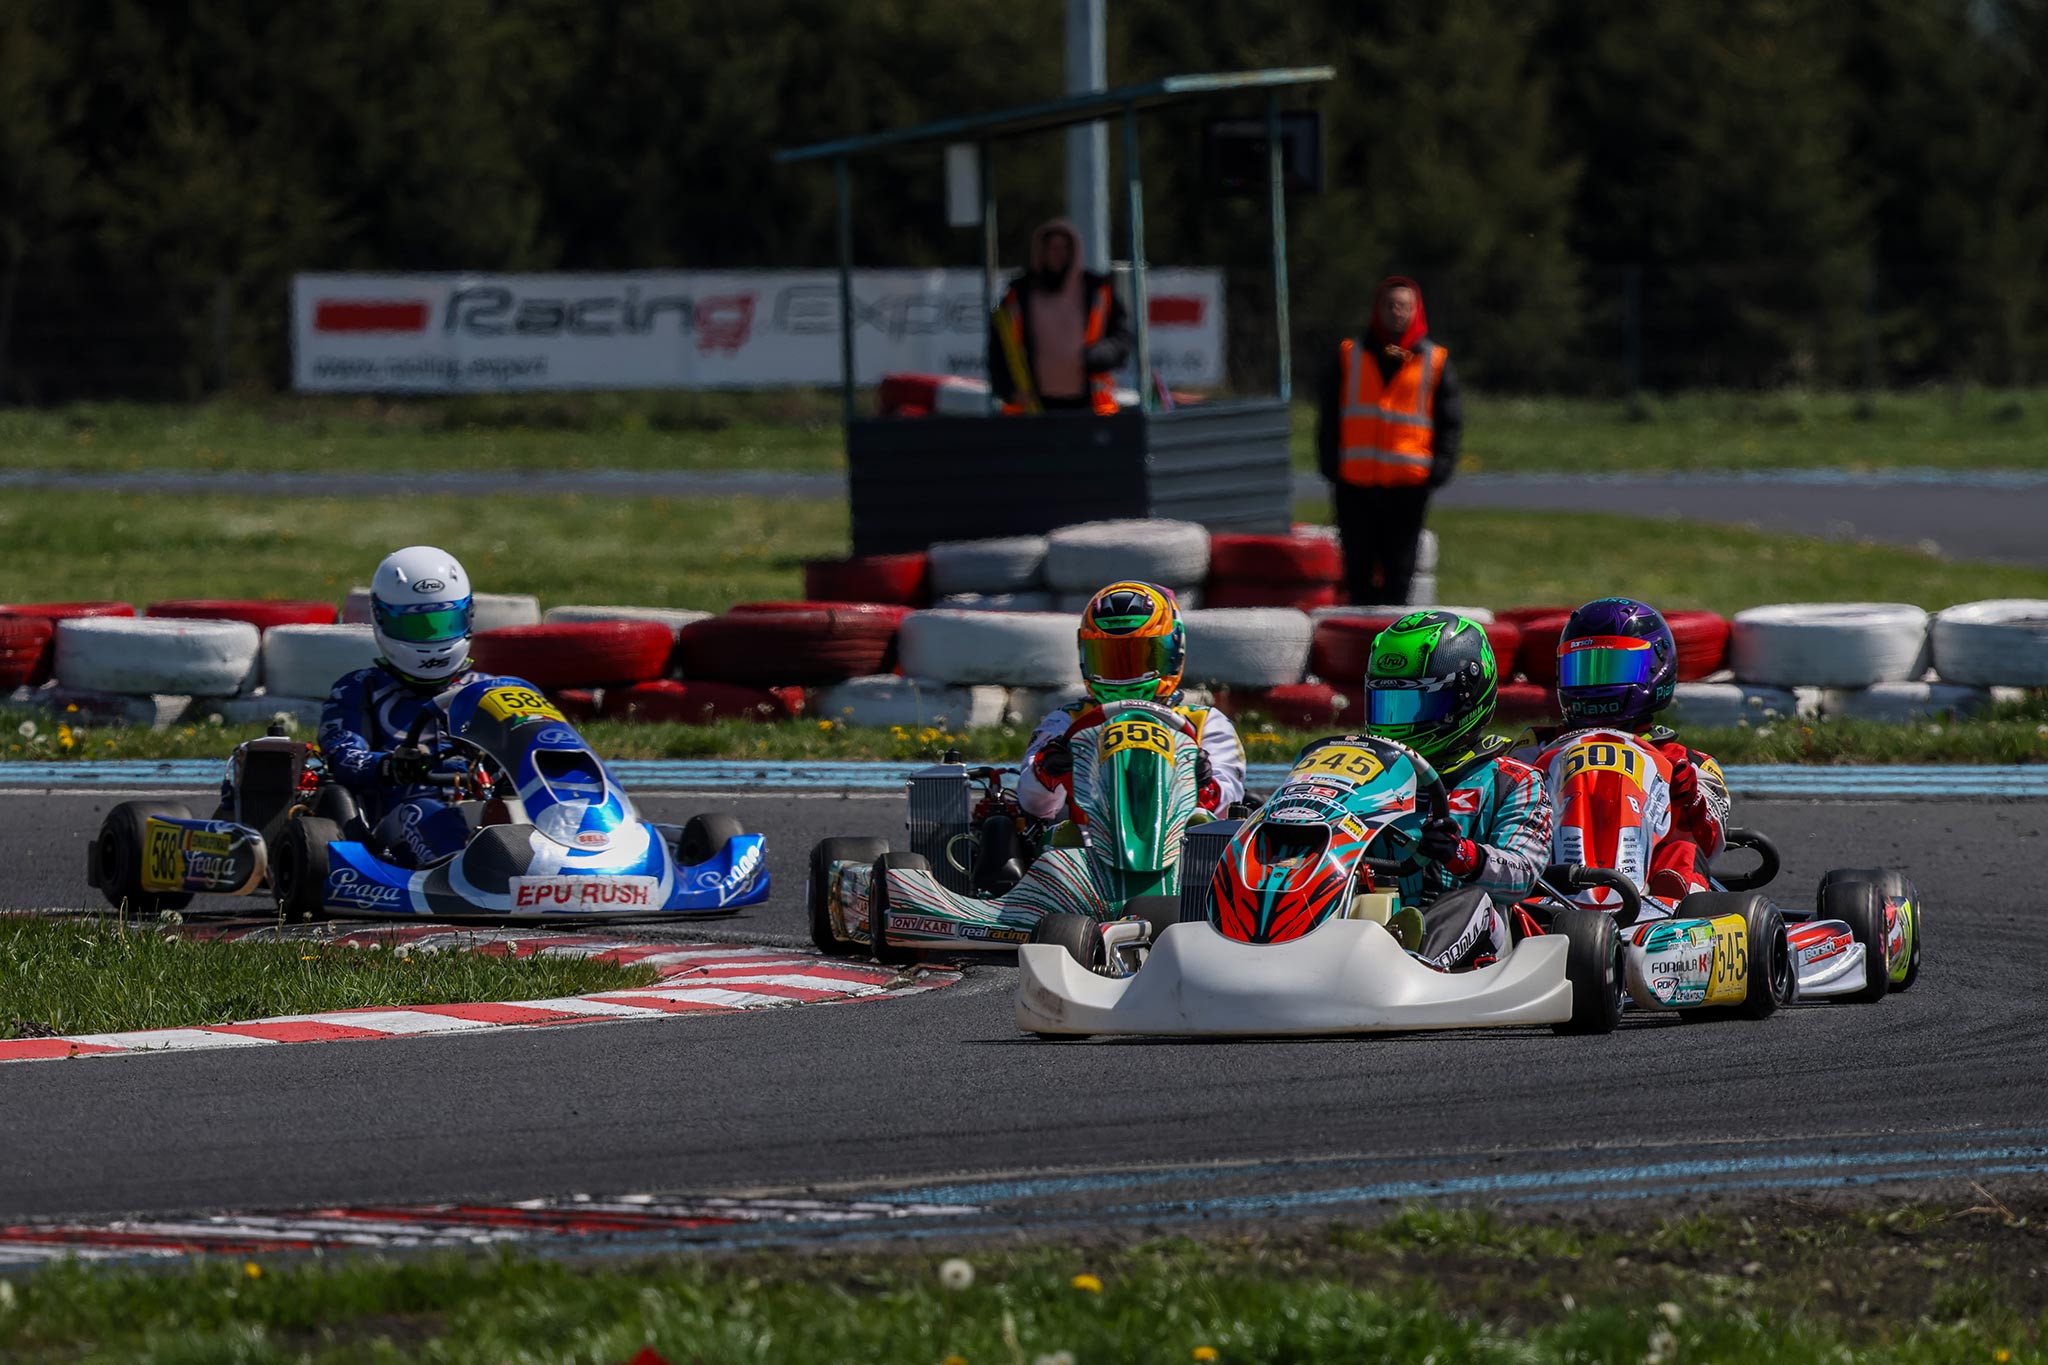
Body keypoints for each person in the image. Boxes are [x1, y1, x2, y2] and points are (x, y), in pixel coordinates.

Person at [1344, 609, 1551, 971]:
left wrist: (1462, 854)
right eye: (1387, 705)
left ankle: (1416, 971)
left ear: (1463, 702)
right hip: (1368, 923)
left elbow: (1521, 874)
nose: (1396, 723)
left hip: (1474, 938)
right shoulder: (1359, 774)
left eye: (1413, 706)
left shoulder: (1512, 780)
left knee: (1470, 900)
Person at [1536, 597, 1731, 903]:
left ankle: (1678, 908)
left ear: (1655, 669)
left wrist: (1691, 800)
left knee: (1684, 851)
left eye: (1612, 669)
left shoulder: (1685, 762)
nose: (1595, 684)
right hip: (1551, 887)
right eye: (1583, 670)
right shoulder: (1534, 750)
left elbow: (1712, 842)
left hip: (1649, 895)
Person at [1017, 581, 1245, 823]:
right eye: (1109, 659)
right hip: (1085, 841)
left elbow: (1228, 803)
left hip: (1182, 841)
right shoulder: (1066, 723)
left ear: (1173, 652)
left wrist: (1200, 780)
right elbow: (1033, 805)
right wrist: (1048, 769)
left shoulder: (1205, 722)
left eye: (1139, 658)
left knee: (1203, 820)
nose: (1123, 673)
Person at [317, 545, 486, 868]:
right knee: (425, 812)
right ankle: (456, 872)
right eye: (417, 627)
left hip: (482, 810)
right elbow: (342, 756)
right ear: (382, 620)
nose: (432, 636)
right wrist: (390, 765)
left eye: (443, 623)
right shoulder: (359, 689)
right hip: (395, 822)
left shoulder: (489, 689)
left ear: (467, 616)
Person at [1315, 276, 1463, 605]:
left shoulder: (1435, 360)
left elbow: (1450, 421)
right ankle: (1357, 631)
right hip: (1355, 483)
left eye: (1404, 306)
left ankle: (1395, 633)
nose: (1397, 312)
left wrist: (1440, 467)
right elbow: (1328, 415)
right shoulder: (1349, 355)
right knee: (1357, 571)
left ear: (1416, 311)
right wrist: (1329, 463)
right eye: (1390, 305)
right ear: (1377, 309)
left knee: (1400, 572)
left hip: (1408, 484)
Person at [986, 217, 1134, 415]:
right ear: (1042, 251)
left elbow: (1122, 337)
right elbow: (998, 349)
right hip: (1033, 406)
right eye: (1053, 248)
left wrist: (1100, 355)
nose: (1059, 254)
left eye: (1064, 248)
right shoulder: (1018, 294)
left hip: (1090, 405)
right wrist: (1008, 391)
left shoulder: (1097, 290)